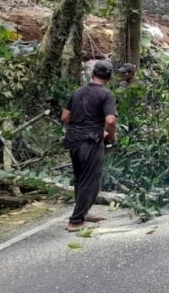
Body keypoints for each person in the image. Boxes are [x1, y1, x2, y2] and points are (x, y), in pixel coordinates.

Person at [61, 60, 118, 232]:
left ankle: (83, 213)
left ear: (92, 74)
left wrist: (78, 125)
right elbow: (110, 120)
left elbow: (65, 117)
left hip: (73, 140)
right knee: (91, 182)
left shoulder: (77, 92)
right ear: (108, 77)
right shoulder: (106, 95)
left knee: (80, 179)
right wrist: (110, 135)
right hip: (91, 140)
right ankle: (76, 221)